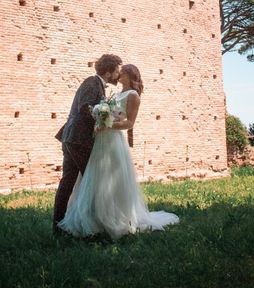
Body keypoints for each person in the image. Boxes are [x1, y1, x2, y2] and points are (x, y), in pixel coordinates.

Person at [58, 64, 179, 240]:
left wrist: (107, 125)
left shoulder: (133, 96)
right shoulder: (115, 94)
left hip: (113, 140)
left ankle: (115, 217)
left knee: (110, 180)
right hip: (100, 140)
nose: (118, 75)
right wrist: (101, 120)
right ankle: (95, 216)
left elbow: (129, 123)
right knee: (97, 178)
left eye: (121, 73)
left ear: (129, 76)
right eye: (118, 72)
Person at [52, 54, 122, 234]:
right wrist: (101, 124)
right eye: (117, 72)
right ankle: (92, 226)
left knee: (68, 182)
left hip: (72, 138)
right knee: (93, 182)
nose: (118, 76)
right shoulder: (92, 82)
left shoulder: (97, 84)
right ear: (108, 71)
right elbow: (86, 108)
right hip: (78, 140)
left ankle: (60, 226)